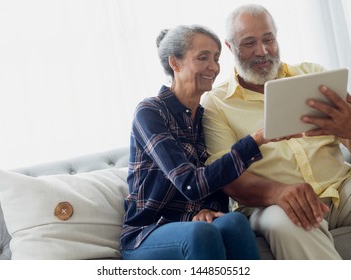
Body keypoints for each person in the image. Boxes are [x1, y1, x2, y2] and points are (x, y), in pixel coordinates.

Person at [201, 4, 351, 259]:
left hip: (341, 187)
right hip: (270, 204)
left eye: (268, 39)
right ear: (230, 46)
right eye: (249, 43)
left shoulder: (312, 74)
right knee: (290, 221)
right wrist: (277, 192)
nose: (263, 51)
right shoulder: (216, 103)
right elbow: (226, 176)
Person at [120, 24, 287, 260]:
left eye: (217, 58)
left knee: (235, 222)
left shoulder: (208, 115)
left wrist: (208, 211)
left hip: (196, 223)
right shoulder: (150, 112)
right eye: (203, 58)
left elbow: (216, 178)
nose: (214, 67)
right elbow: (189, 184)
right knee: (202, 233)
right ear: (174, 63)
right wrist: (256, 140)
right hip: (149, 231)